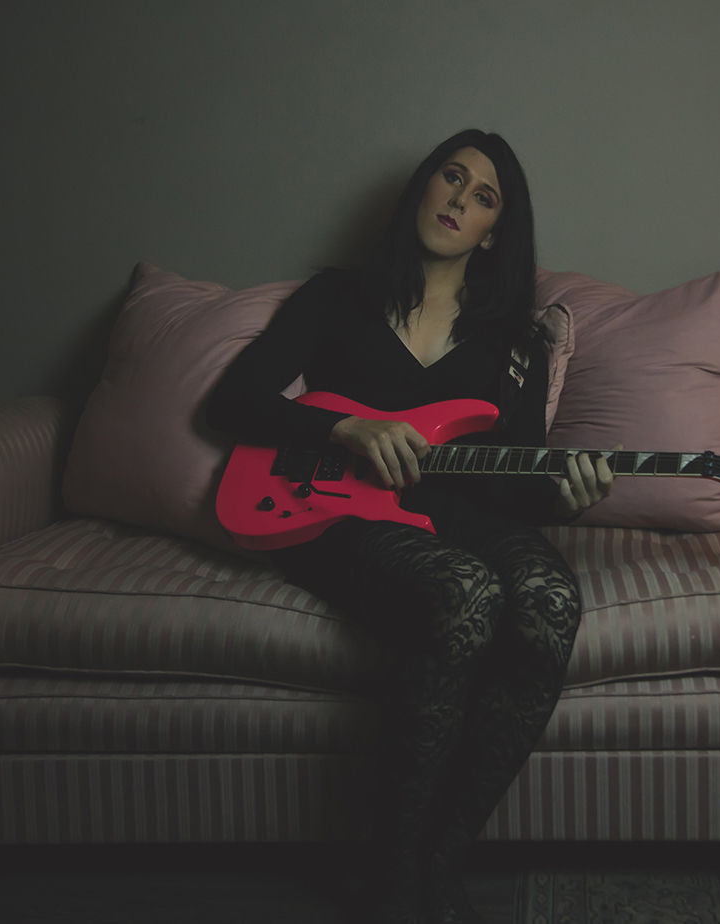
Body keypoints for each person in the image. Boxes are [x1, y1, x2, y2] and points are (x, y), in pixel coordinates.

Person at [204, 129, 614, 924]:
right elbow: (232, 401)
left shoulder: (515, 343)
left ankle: (437, 864)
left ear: (495, 228)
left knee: (547, 598)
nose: (459, 199)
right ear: (422, 190)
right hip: (337, 511)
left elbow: (519, 481)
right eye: (449, 178)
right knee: (464, 593)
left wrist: (565, 496)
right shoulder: (337, 297)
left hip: (460, 513)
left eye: (483, 195)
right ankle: (393, 884)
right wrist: (339, 431)